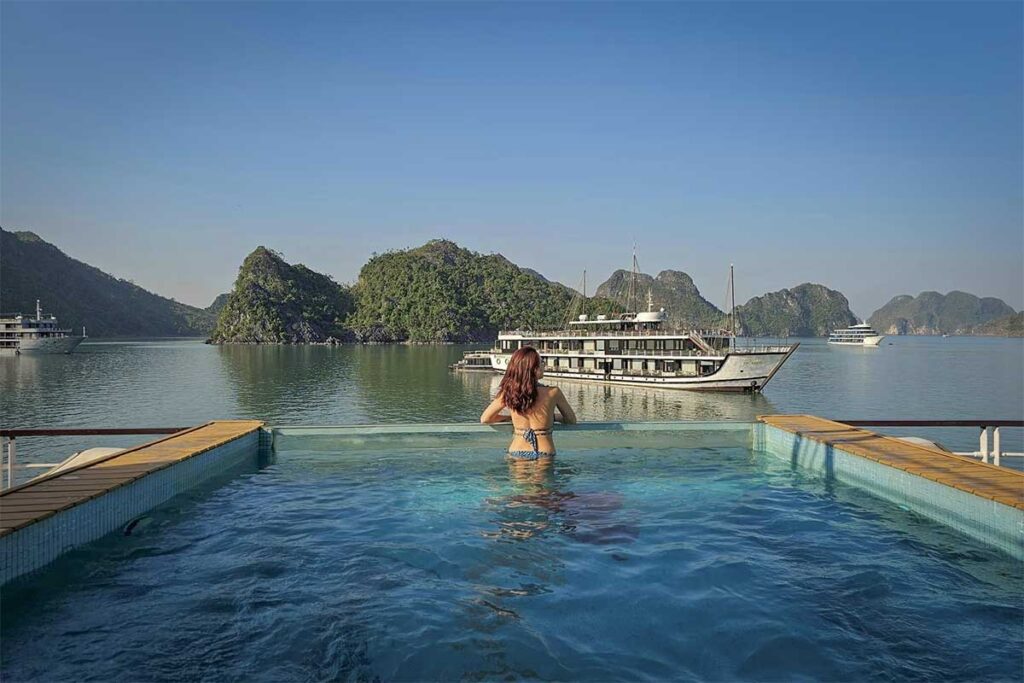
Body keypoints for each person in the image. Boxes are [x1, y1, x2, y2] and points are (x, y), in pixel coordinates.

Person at [480, 346, 577, 460]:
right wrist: (552, 418)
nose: (544, 365)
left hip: (517, 450)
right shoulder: (553, 392)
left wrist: (511, 418)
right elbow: (571, 420)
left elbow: (485, 419)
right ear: (533, 368)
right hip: (543, 451)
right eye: (541, 362)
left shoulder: (509, 392)